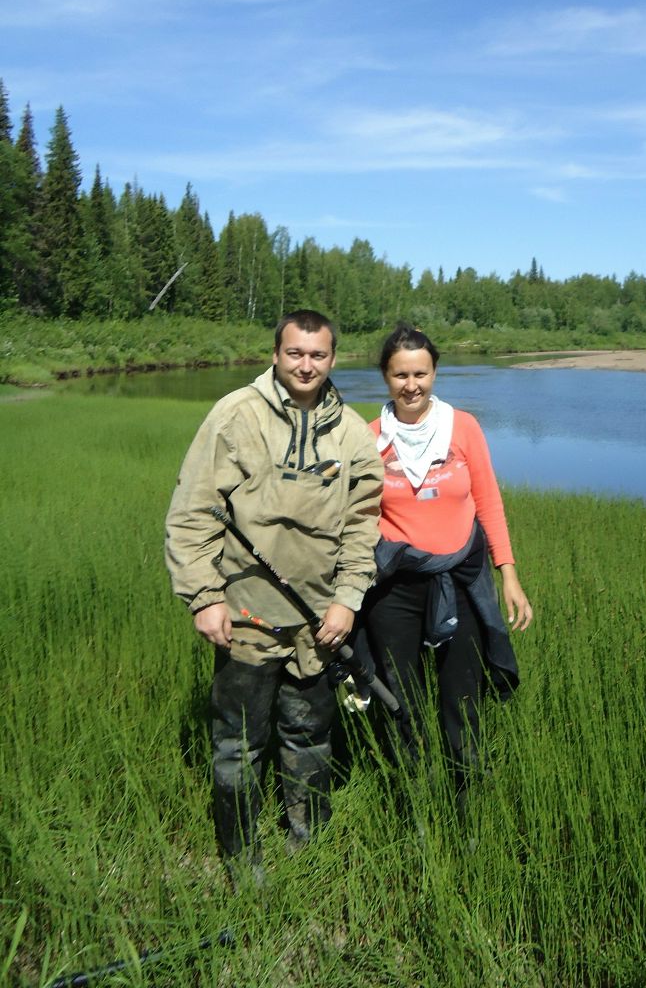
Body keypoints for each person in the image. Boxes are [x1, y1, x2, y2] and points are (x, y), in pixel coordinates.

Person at [164, 310, 382, 881]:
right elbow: (191, 513)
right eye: (294, 353)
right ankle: (241, 859)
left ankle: (307, 848)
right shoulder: (235, 415)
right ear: (277, 353)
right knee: (239, 743)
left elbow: (363, 528)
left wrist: (348, 599)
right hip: (246, 620)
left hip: (320, 626)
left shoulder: (353, 434)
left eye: (317, 355)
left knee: (309, 738)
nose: (305, 365)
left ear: (333, 358)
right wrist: (204, 596)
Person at [360, 323, 533, 790]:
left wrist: (508, 574)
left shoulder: (464, 428)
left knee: (462, 697)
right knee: (401, 698)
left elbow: (489, 501)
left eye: (420, 373)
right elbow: (356, 519)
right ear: (385, 377)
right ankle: (412, 796)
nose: (411, 385)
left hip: (460, 581)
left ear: (435, 372)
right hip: (393, 590)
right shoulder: (369, 438)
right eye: (400, 375)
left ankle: (466, 792)